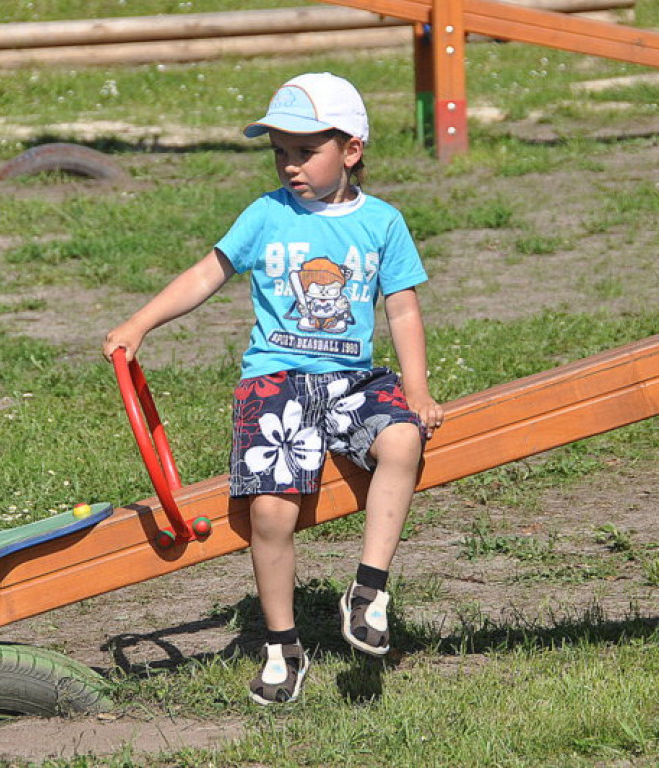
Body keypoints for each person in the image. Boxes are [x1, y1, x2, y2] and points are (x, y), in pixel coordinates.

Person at [103, 72, 443, 705]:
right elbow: (209, 273)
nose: (290, 165)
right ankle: (282, 645)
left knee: (401, 439)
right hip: (277, 382)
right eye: (279, 151)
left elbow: (401, 308)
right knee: (270, 512)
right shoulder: (266, 215)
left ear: (351, 150)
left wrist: (417, 390)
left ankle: (368, 591)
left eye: (305, 151)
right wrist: (139, 323)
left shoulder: (383, 223)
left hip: (353, 379)